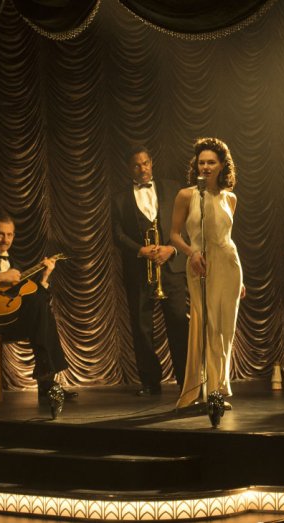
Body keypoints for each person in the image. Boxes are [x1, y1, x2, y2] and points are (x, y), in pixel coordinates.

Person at [0, 215, 72, 404]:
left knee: (42, 309)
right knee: (42, 313)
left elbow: (32, 299)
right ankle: (47, 384)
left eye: (10, 235)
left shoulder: (15, 264)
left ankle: (46, 379)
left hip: (10, 322)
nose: (6, 239)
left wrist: (44, 277)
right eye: (0, 234)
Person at [170, 137, 244, 409]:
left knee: (225, 330)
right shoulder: (186, 195)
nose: (205, 167)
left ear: (222, 165)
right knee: (208, 326)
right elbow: (174, 235)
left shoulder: (230, 198)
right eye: (201, 162)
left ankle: (218, 390)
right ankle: (204, 390)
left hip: (229, 266)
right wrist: (192, 253)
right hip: (200, 264)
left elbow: (228, 239)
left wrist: (241, 280)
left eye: (211, 162)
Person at [111, 146, 189, 396]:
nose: (142, 168)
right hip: (138, 271)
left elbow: (188, 226)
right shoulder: (119, 198)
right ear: (129, 168)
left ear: (151, 163)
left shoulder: (174, 188)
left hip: (171, 268)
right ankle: (150, 382)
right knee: (142, 329)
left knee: (179, 324)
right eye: (137, 165)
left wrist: (172, 249)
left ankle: (186, 381)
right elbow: (117, 234)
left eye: (145, 163)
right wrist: (139, 250)